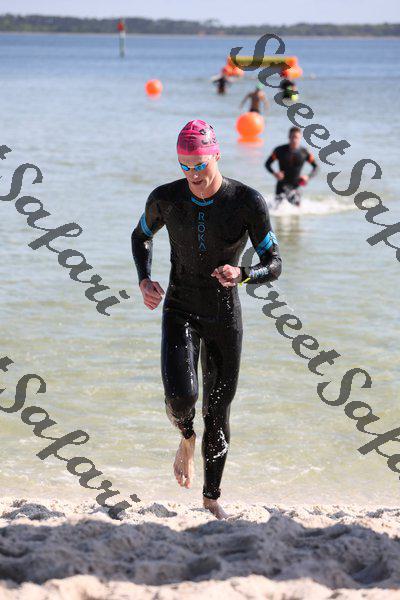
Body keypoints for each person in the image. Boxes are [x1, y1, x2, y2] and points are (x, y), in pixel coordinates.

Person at [131, 120, 282, 520]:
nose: (193, 175)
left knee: (217, 411)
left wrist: (243, 273)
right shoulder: (166, 199)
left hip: (223, 316)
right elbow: (140, 236)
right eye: (185, 166)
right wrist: (144, 279)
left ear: (216, 155)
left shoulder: (246, 202)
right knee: (182, 398)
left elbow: (274, 263)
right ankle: (185, 437)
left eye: (200, 165)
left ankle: (211, 498)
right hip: (180, 308)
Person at [265, 126, 318, 206]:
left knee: (297, 210)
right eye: (292, 137)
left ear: (300, 138)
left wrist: (308, 177)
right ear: (289, 137)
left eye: (296, 137)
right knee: (277, 209)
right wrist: (275, 173)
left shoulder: (305, 152)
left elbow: (316, 167)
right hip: (281, 186)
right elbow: (267, 164)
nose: (294, 140)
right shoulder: (279, 150)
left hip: (296, 186)